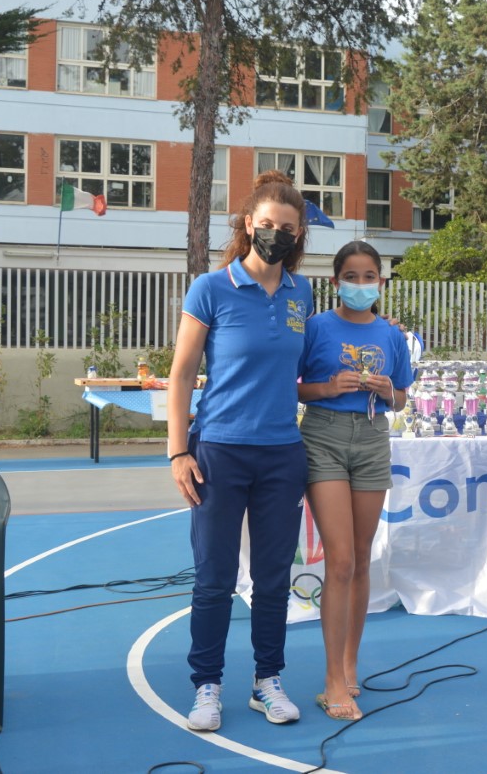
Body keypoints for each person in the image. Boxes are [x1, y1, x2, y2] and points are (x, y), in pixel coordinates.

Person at [168, 169, 313, 732]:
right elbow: (182, 375)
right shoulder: (210, 288)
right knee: (215, 578)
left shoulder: (302, 294)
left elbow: (305, 371)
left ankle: (266, 681)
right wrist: (178, 453)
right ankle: (206, 685)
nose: (278, 234)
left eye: (288, 228)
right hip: (219, 453)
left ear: (298, 235)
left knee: (274, 580)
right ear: (249, 224)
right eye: (269, 223)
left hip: (282, 454)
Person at [296, 240, 413, 721]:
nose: (361, 285)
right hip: (322, 436)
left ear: (381, 282)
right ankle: (331, 682)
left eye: (369, 277)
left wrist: (388, 390)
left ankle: (349, 665)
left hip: (371, 437)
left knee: (362, 559)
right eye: (351, 276)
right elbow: (293, 385)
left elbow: (403, 398)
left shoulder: (391, 335)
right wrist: (326, 388)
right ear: (335, 281)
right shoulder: (316, 327)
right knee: (340, 560)